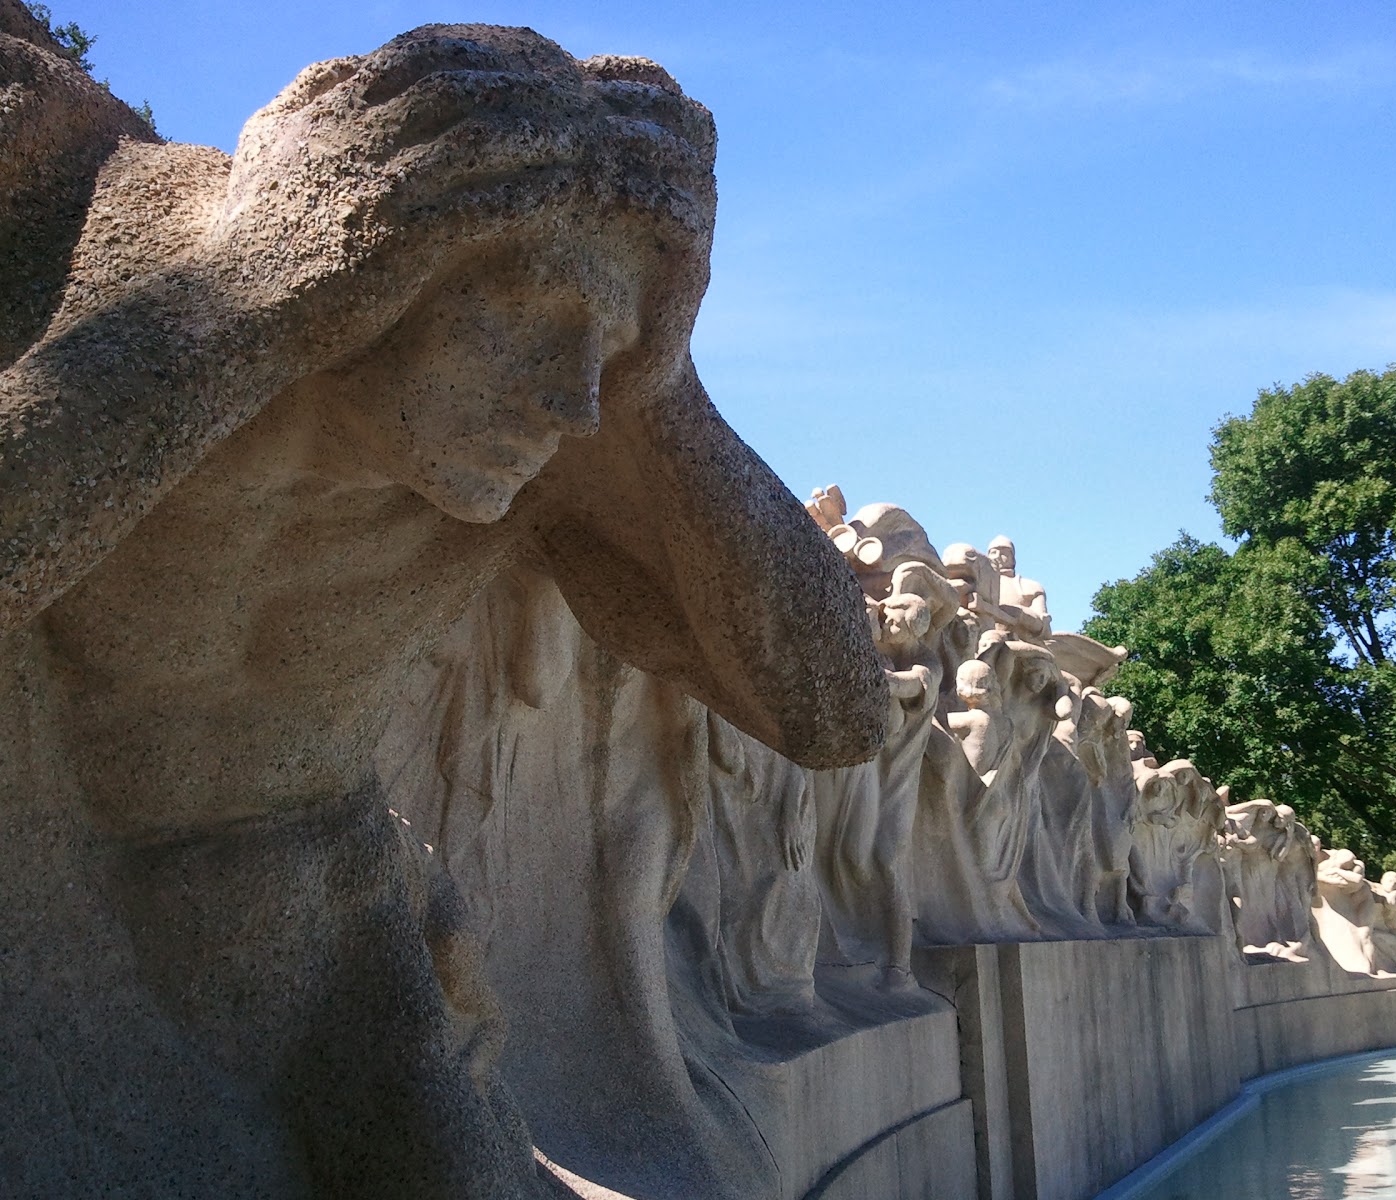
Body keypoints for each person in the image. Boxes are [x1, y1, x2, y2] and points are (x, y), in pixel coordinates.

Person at [0, 23, 883, 1198]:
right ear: (370, 255)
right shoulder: (100, 250)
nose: (570, 401)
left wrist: (660, 392)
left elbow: (835, 713)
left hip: (310, 911)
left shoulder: (545, 439)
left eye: (602, 348)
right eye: (529, 314)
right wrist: (256, 299)